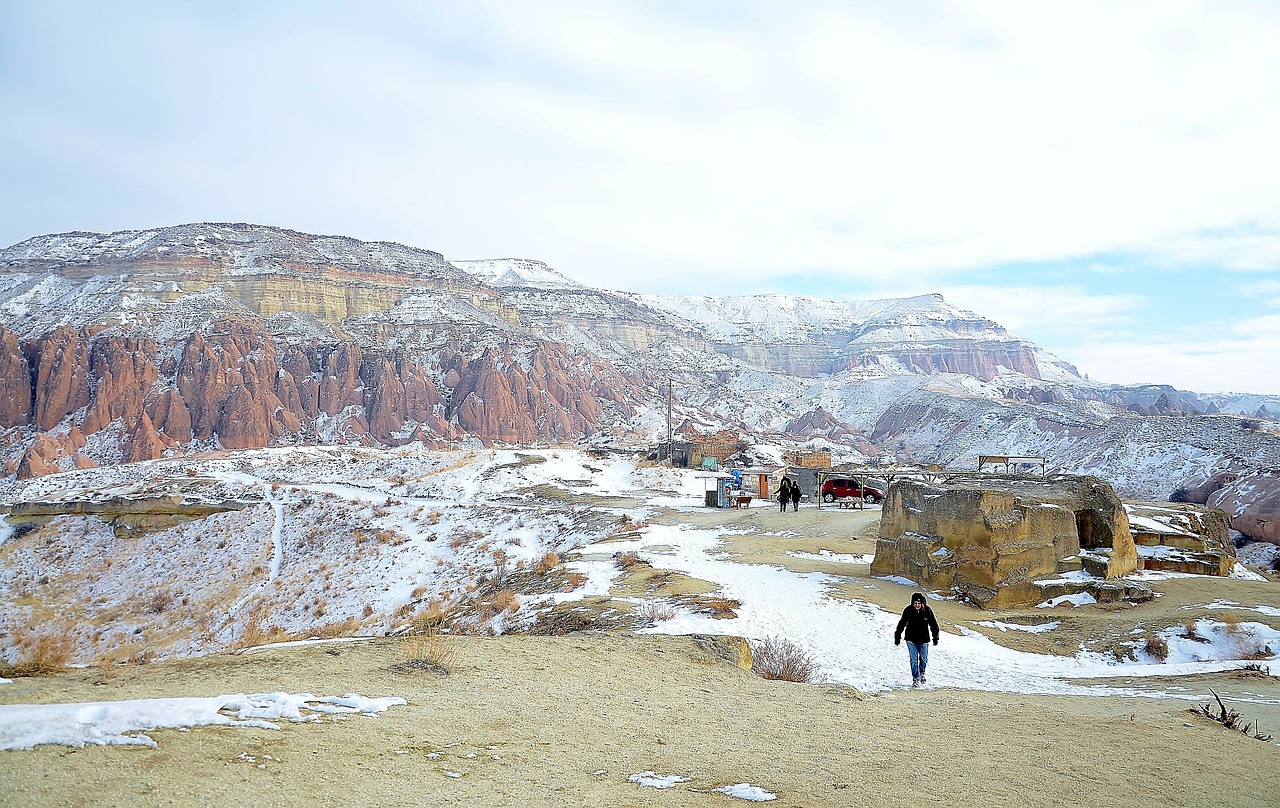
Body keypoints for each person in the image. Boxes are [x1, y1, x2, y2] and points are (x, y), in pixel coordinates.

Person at [893, 592, 940, 687]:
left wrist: (935, 638)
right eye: (915, 603)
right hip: (911, 639)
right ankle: (915, 678)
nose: (917, 605)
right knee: (913, 660)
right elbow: (901, 623)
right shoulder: (908, 610)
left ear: (923, 603)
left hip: (924, 639)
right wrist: (897, 636)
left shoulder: (927, 610)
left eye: (919, 603)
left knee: (924, 659)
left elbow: (934, 625)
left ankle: (922, 672)